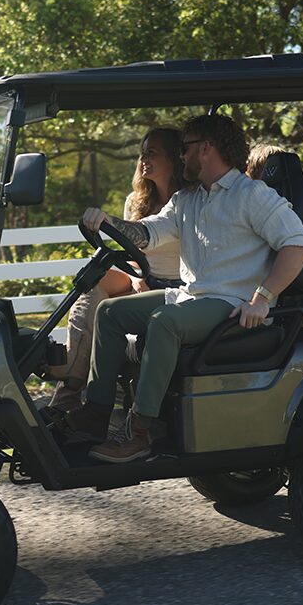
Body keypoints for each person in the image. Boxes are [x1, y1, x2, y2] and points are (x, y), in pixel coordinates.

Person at [64, 114, 303, 463]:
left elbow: (299, 244)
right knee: (110, 312)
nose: (181, 156)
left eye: (185, 148)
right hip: (190, 297)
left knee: (166, 321)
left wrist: (263, 299)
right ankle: (96, 413)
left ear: (206, 149)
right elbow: (149, 232)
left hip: (233, 303)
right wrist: (109, 222)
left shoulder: (251, 195)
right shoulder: (189, 199)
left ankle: (140, 432)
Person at [47, 128, 184, 415]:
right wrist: (136, 277)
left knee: (108, 308)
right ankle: (71, 382)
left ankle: (70, 386)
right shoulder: (137, 201)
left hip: (175, 285)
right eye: (142, 152)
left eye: (152, 152)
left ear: (173, 158)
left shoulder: (187, 202)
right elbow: (136, 256)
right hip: (141, 278)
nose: (143, 159)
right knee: (93, 282)